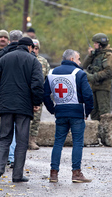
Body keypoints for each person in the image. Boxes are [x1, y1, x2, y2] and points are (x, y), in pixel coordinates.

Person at [0, 37, 43, 183]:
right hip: (24, 107)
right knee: (22, 141)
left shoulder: (5, 58)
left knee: (5, 138)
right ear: (30, 47)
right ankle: (17, 175)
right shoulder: (33, 61)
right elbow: (37, 84)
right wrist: (36, 102)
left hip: (5, 105)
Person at [44, 49, 94, 183]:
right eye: (78, 59)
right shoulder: (79, 73)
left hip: (60, 112)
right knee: (77, 142)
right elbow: (88, 95)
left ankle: (53, 174)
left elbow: (45, 95)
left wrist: (52, 109)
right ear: (72, 59)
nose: (79, 62)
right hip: (77, 113)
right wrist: (87, 111)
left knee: (58, 143)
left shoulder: (51, 73)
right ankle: (76, 174)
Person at [0, 30, 23, 166]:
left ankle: (3, 160)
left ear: (9, 40)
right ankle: (13, 157)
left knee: (6, 129)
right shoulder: (28, 56)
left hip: (4, 98)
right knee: (18, 129)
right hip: (21, 99)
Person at [83, 33, 112, 121]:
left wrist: (93, 77)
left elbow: (108, 72)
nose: (94, 45)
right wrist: (90, 55)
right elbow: (84, 65)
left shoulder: (108, 55)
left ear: (101, 44)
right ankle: (96, 133)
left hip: (102, 88)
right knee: (94, 113)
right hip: (93, 87)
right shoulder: (96, 54)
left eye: (96, 43)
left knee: (104, 113)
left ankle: (105, 134)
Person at [28, 39, 51, 150]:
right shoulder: (26, 59)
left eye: (37, 48)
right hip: (26, 95)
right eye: (33, 48)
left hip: (37, 95)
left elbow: (47, 79)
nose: (35, 50)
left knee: (36, 119)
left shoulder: (43, 62)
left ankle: (32, 140)